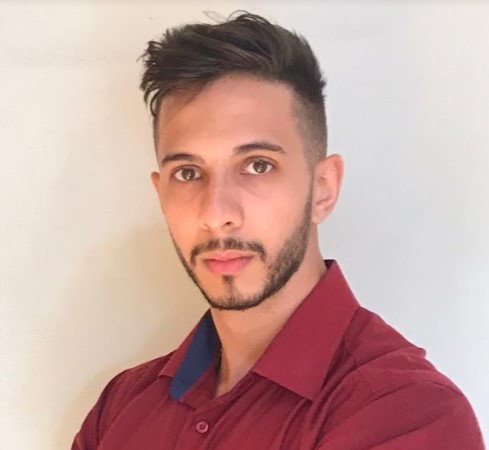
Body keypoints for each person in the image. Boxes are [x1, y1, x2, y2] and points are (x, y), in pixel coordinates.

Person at [71, 11, 485, 450]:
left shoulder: (406, 413)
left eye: (257, 166)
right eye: (188, 173)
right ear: (161, 194)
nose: (216, 213)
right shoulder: (121, 405)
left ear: (323, 189)